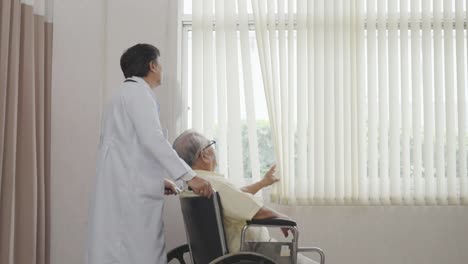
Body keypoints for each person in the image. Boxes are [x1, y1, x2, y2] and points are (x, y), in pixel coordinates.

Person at [86, 44, 213, 264]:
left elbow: (128, 151)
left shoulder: (119, 96)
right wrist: (190, 176)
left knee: (117, 251)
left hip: (121, 189)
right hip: (131, 198)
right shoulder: (140, 94)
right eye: (159, 64)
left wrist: (158, 179)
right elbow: (152, 140)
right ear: (152, 65)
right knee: (139, 253)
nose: (161, 69)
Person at [173, 129, 318, 264]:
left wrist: (262, 183)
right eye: (211, 145)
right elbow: (258, 211)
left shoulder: (197, 184)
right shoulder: (214, 184)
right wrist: (285, 219)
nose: (214, 149)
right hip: (252, 252)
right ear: (204, 155)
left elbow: (234, 198)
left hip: (238, 253)